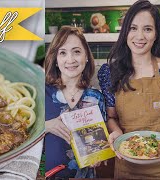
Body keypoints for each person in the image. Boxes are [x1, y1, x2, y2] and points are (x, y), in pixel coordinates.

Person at [98, 0, 160, 179]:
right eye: (133, 28)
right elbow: (111, 116)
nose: (139, 36)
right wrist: (115, 132)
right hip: (126, 166)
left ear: (156, 34)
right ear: (125, 32)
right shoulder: (110, 72)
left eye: (147, 29)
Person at [45, 26, 107, 179]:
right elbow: (23, 132)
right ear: (56, 60)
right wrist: (46, 126)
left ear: (86, 56)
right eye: (63, 53)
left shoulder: (96, 97)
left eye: (77, 51)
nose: (70, 59)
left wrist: (97, 156)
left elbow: (99, 144)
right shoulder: (42, 92)